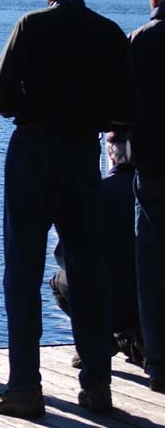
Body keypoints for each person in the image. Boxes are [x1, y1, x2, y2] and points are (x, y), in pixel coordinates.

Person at [0, 0, 133, 417]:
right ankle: (97, 387)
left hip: (31, 151)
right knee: (89, 272)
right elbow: (126, 109)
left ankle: (25, 388)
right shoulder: (110, 34)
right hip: (81, 155)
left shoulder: (31, 26)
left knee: (22, 274)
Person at [48, 130, 143, 369]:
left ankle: (98, 342)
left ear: (110, 155)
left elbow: (64, 256)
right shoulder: (150, 195)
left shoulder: (95, 193)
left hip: (103, 299)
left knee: (59, 282)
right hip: (146, 301)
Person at [129, 0, 165, 394]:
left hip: (154, 168)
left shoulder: (139, 41)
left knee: (153, 269)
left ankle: (159, 364)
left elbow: (118, 109)